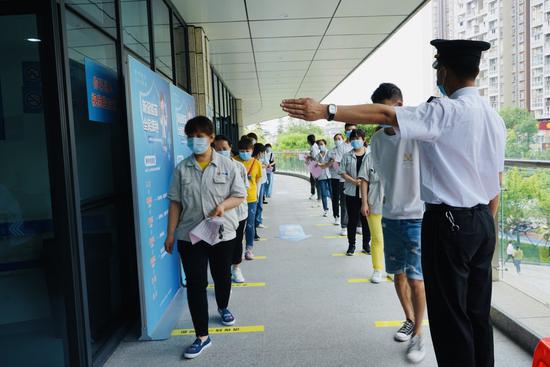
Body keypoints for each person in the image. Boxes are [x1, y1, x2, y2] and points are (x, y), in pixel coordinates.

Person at [281, 38, 506, 367]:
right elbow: (495, 182)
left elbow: (387, 113)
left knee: (450, 320)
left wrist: (326, 111)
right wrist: (486, 226)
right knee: (476, 314)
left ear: (443, 70)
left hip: (448, 223)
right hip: (483, 222)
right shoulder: (493, 116)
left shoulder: (445, 111)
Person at [165, 116, 246, 359]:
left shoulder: (228, 166)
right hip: (190, 236)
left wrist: (223, 205)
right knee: (196, 283)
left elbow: (239, 195)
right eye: (191, 137)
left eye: (200, 136)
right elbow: (175, 203)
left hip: (222, 234)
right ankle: (202, 336)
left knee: (222, 276)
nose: (195, 141)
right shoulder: (182, 168)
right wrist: (170, 234)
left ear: (211, 138)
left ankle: (222, 306)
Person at [367, 83, 427, 360]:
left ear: (400, 106)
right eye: (378, 114)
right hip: (390, 216)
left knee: (416, 278)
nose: (382, 117)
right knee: (398, 274)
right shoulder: (378, 140)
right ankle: (409, 319)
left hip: (417, 216)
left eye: (386, 111)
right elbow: (381, 174)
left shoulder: (416, 134)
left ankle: (419, 336)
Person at [213, 135, 248, 283]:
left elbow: (243, 190)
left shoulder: (239, 167)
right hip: (219, 214)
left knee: (237, 242)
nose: (221, 151)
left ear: (230, 148)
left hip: (239, 213)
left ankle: (236, 269)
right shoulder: (211, 167)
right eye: (217, 149)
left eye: (224, 149)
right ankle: (224, 276)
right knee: (221, 245)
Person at [339, 129, 371, 256]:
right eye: (353, 139)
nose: (355, 141)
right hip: (351, 192)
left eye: (358, 138)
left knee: (366, 220)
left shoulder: (371, 155)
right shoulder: (347, 156)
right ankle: (351, 245)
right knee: (352, 220)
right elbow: (342, 171)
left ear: (363, 140)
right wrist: (353, 181)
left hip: (367, 193)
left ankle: (366, 245)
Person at [358, 137, 385, 284]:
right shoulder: (370, 157)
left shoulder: (396, 154)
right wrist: (364, 203)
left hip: (394, 204)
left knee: (392, 239)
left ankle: (395, 270)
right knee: (377, 238)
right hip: (374, 202)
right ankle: (377, 269)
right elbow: (364, 181)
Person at [234, 136, 263, 260]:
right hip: (235, 198)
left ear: (252, 150)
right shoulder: (233, 161)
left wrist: (257, 194)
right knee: (236, 225)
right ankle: (236, 249)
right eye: (242, 150)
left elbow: (258, 179)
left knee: (250, 225)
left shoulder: (256, 163)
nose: (244, 153)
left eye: (247, 150)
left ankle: (249, 249)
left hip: (251, 198)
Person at [328, 133, 345, 226]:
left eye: (339, 138)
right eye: (336, 139)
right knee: (335, 198)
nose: (337, 140)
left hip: (345, 178)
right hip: (334, 177)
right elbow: (329, 164)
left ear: (343, 139)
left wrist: (337, 163)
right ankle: (336, 216)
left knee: (344, 199)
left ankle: (344, 218)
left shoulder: (347, 149)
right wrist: (333, 163)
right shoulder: (332, 151)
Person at [253, 143, 268, 236]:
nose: (263, 155)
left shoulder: (258, 161)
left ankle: (256, 225)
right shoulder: (255, 162)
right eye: (262, 153)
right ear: (259, 153)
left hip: (259, 185)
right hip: (254, 189)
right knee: (255, 207)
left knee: (258, 205)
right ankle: (254, 230)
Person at [315, 139, 332, 217]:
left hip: (330, 175)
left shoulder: (330, 153)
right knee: (323, 193)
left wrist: (322, 164)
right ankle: (325, 209)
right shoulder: (317, 156)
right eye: (319, 144)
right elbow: (316, 165)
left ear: (325, 144)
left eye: (322, 144)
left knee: (332, 193)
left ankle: (335, 207)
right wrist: (325, 164)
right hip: (321, 176)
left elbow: (332, 163)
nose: (320, 146)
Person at [306, 134, 321, 202]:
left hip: (315, 166)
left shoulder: (314, 147)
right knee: (313, 180)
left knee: (314, 181)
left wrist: (309, 157)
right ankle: (316, 194)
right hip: (313, 165)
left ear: (309, 140)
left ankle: (318, 195)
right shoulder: (314, 146)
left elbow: (315, 157)